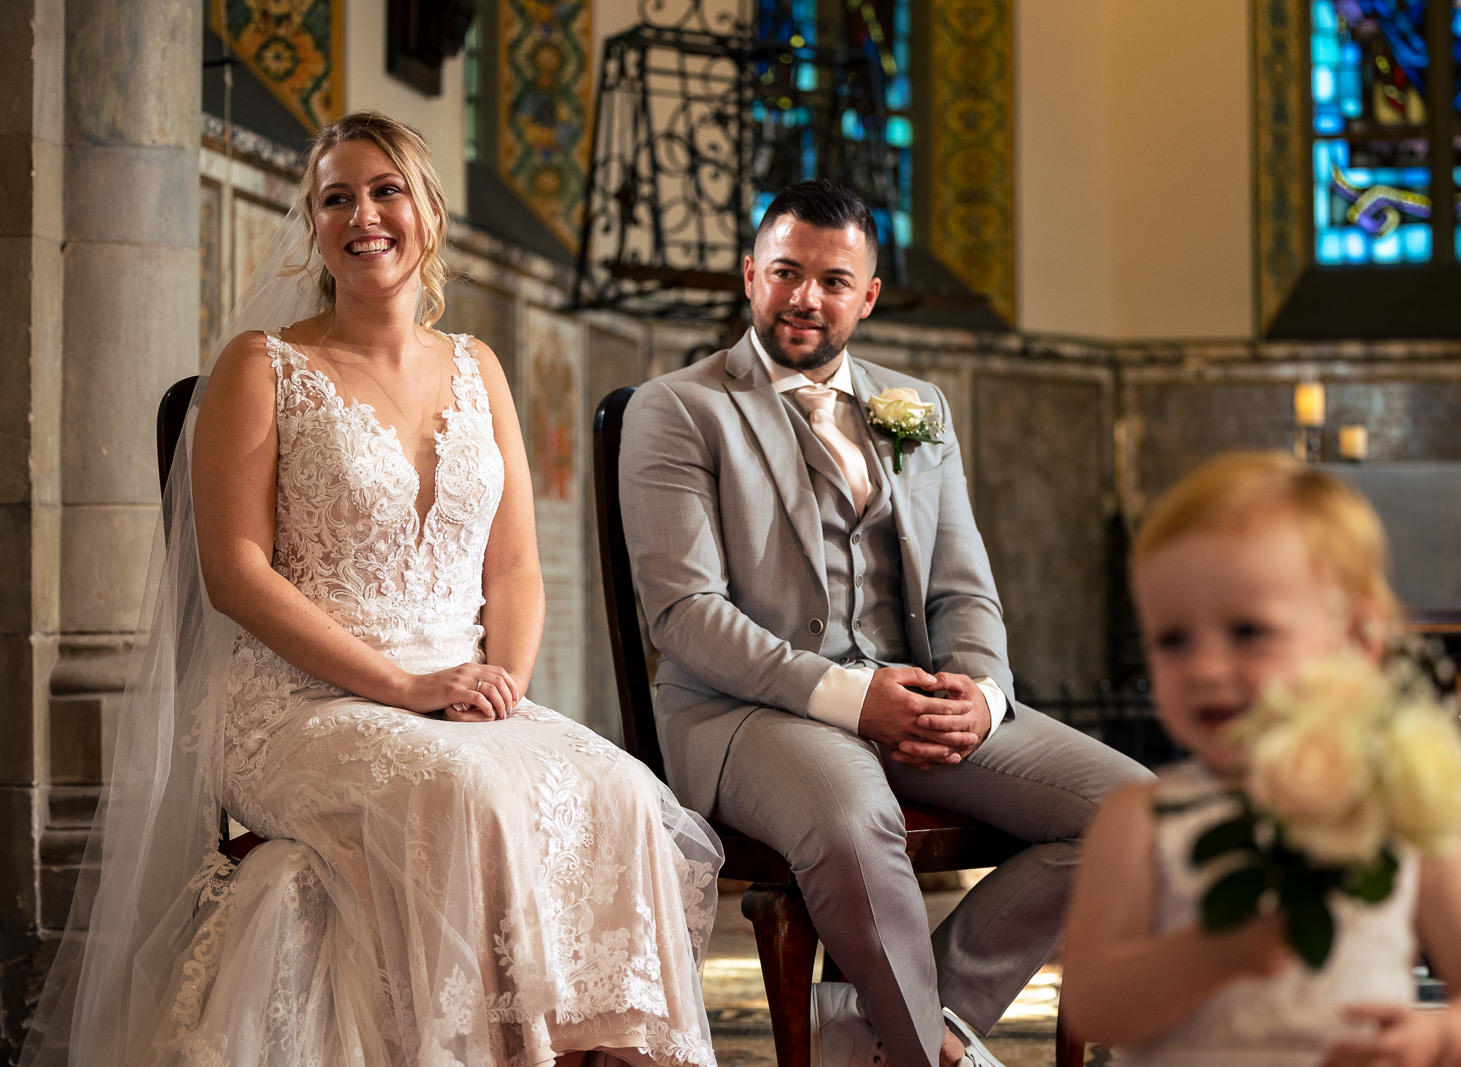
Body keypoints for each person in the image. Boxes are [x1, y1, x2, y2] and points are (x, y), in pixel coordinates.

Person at [23, 112, 720, 1067]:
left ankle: (598, 1051)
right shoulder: (262, 368)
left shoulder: (479, 368)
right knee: (464, 795)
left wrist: (504, 686)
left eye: (385, 190)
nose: (364, 216)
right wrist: (403, 688)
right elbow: (234, 574)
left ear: (428, 209)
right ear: (312, 224)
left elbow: (513, 566)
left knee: (625, 792)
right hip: (296, 702)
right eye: (335, 198)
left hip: (458, 692)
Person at [618, 178, 1149, 1067]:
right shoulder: (677, 408)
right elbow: (686, 615)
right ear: (750, 274)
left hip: (912, 697)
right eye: (785, 272)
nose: (804, 297)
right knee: (854, 818)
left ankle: (880, 1030)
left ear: (866, 296)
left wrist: (980, 692)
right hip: (743, 710)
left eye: (832, 280)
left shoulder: (918, 407)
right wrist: (849, 697)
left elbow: (963, 587)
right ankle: (924, 1054)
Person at [1060, 451, 1461, 1066]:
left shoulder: (1396, 807)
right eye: (1172, 639)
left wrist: (1436, 1037)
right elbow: (1091, 1004)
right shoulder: (1141, 818)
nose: (1205, 669)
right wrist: (1217, 952)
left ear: (1358, 639)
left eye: (1248, 632)